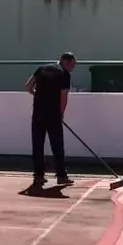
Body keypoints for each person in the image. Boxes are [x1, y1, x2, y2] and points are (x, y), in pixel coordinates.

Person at [24, 52, 76, 187]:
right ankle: (61, 176)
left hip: (38, 114)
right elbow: (63, 97)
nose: (73, 68)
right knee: (57, 145)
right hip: (53, 115)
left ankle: (38, 176)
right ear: (66, 62)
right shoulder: (64, 75)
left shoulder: (41, 69)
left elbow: (28, 86)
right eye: (72, 65)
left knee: (38, 145)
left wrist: (39, 97)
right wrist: (61, 114)